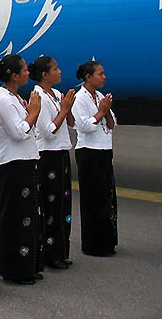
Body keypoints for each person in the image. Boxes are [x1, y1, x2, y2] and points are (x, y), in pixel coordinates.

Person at [0, 54, 43, 285]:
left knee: (28, 217)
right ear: (14, 75)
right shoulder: (4, 100)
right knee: (14, 218)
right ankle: (14, 269)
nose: (28, 73)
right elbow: (19, 132)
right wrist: (34, 112)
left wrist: (31, 113)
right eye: (24, 70)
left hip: (25, 161)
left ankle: (28, 265)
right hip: (13, 165)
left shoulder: (16, 98)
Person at [29, 56, 76, 269]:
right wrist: (64, 110)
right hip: (47, 155)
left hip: (61, 152)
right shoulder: (38, 96)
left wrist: (68, 109)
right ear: (45, 75)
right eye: (55, 69)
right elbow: (48, 131)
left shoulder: (56, 94)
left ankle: (61, 249)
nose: (60, 72)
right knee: (49, 205)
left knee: (62, 204)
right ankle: (49, 253)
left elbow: (71, 123)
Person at [72, 61, 118, 257]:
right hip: (89, 152)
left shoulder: (100, 96)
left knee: (107, 197)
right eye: (100, 73)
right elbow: (85, 126)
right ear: (88, 77)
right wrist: (101, 111)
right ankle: (93, 245)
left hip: (104, 150)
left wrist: (106, 111)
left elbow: (112, 124)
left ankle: (107, 242)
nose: (104, 77)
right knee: (93, 199)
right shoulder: (79, 98)